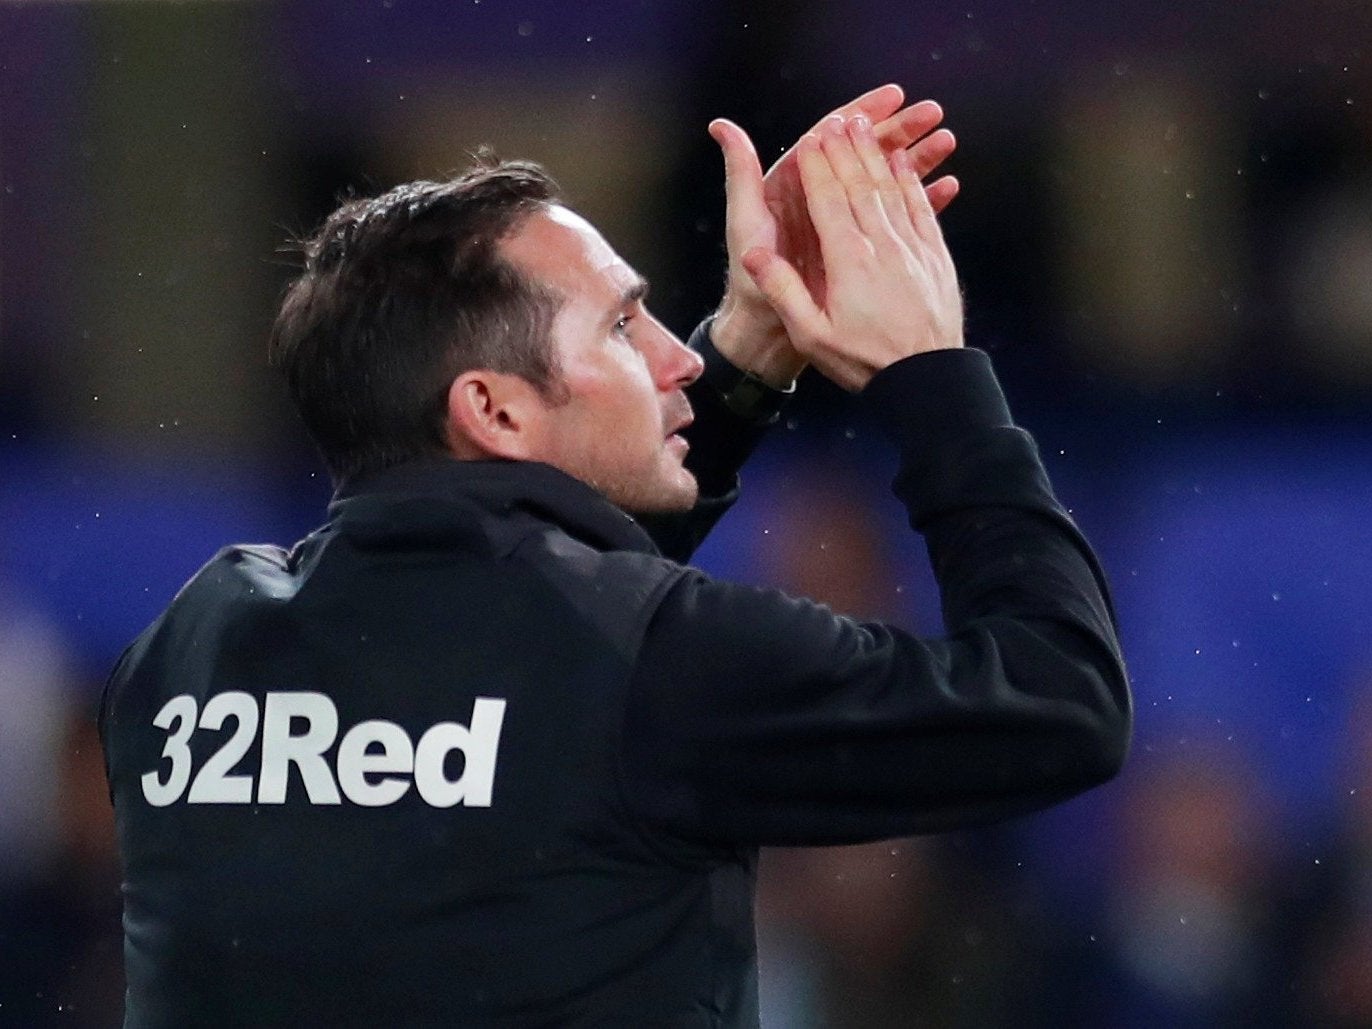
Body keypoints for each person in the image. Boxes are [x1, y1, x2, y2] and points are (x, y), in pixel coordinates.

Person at [99, 84, 1131, 1026]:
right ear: (493, 408)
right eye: (623, 326)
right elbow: (1059, 700)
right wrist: (931, 373)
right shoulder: (656, 665)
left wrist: (746, 356)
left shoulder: (192, 646)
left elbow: (528, 647)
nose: (677, 355)